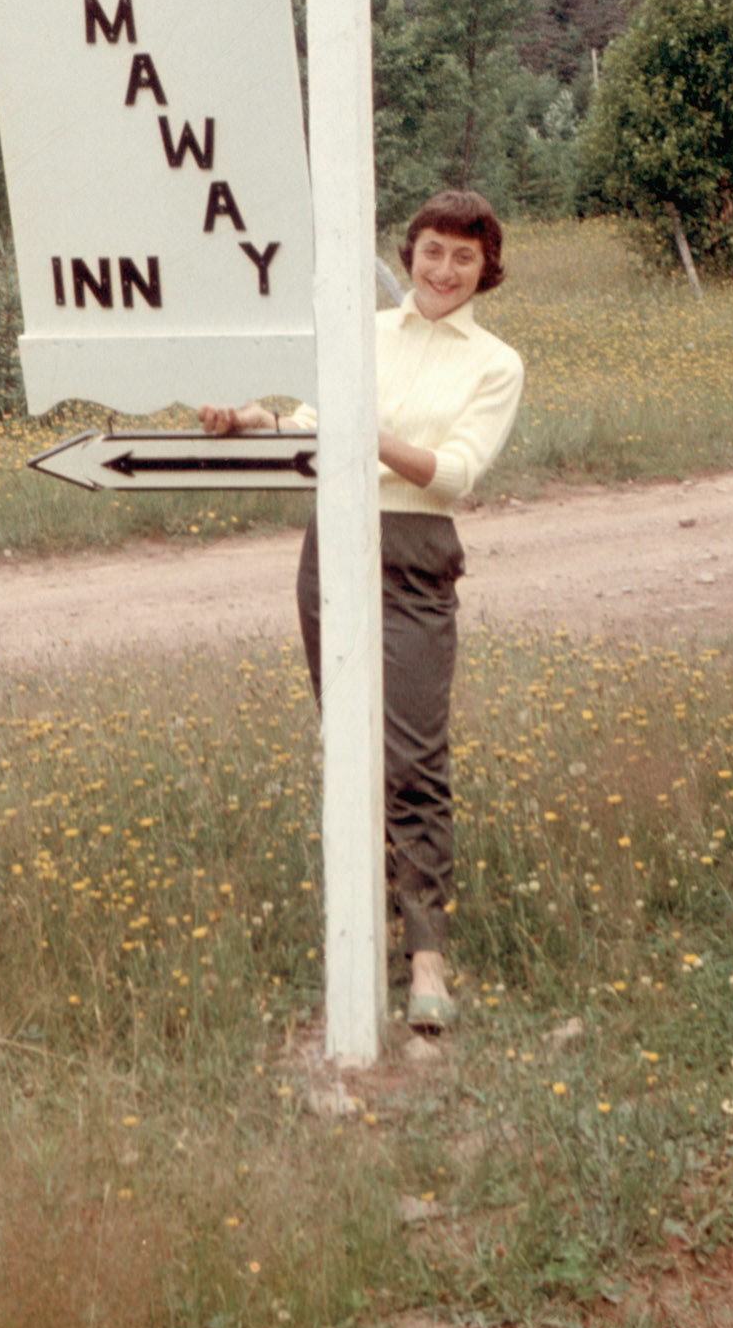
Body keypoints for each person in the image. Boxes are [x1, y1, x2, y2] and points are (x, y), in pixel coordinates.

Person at [198, 190, 524, 1033]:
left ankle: (426, 958)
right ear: (408, 253)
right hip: (332, 550)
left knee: (413, 756)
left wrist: (362, 433)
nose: (443, 269)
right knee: (350, 752)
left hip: (415, 555)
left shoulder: (496, 363)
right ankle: (365, 924)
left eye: (463, 256)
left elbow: (453, 474)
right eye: (431, 251)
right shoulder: (362, 338)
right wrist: (247, 420)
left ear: (486, 268)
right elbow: (310, 429)